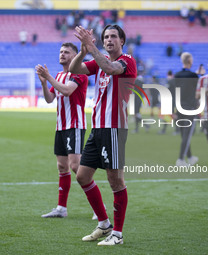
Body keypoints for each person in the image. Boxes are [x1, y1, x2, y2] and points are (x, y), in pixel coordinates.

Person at [69, 24, 137, 245]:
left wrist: (92, 48)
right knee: (82, 176)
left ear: (122, 41)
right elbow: (74, 69)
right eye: (106, 37)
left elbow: (110, 68)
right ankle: (104, 223)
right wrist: (82, 50)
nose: (109, 40)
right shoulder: (97, 62)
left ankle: (117, 234)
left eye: (113, 37)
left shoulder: (127, 61)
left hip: (114, 129)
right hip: (97, 129)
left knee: (115, 180)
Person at [35, 42, 89, 218]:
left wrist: (49, 78)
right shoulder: (58, 75)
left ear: (74, 56)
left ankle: (99, 206)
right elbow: (50, 99)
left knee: (75, 165)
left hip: (75, 125)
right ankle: (61, 208)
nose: (62, 54)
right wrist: (44, 83)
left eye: (66, 52)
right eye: (60, 51)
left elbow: (66, 91)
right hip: (61, 126)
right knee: (62, 166)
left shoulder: (79, 73)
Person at [174, 52, 199, 166]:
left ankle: (190, 157)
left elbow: (174, 92)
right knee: (187, 134)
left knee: (184, 133)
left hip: (179, 106)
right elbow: (197, 93)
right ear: (189, 61)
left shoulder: (177, 75)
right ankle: (180, 159)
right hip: (189, 107)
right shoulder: (194, 76)